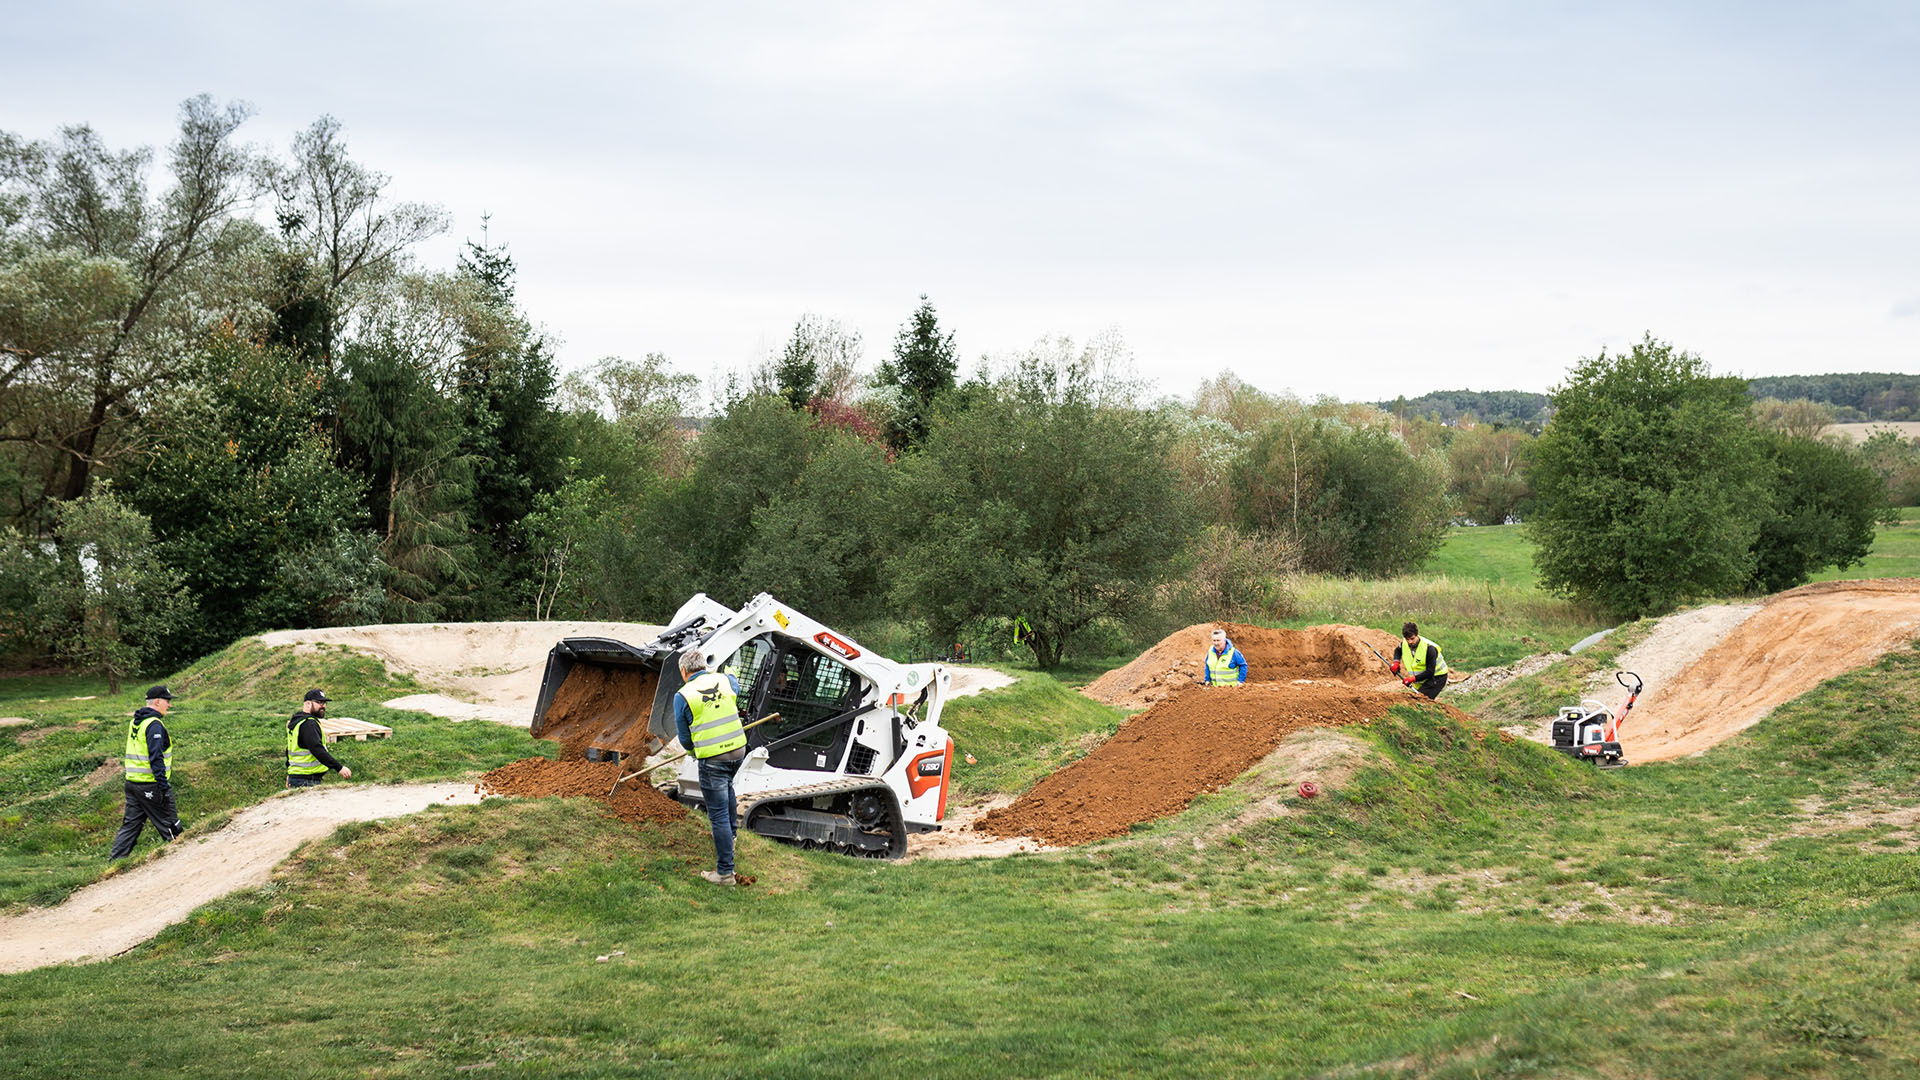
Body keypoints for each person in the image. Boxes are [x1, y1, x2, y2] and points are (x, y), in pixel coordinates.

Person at [674, 650, 749, 886]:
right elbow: (735, 686)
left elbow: (684, 737)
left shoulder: (683, 695)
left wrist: (693, 752)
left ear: (684, 672)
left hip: (713, 760)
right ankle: (732, 836)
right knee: (727, 789)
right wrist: (728, 673)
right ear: (703, 667)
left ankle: (725, 872)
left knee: (716, 813)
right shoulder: (724, 680)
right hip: (737, 752)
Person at [110, 685, 183, 860]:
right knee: (170, 824)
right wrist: (163, 786)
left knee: (131, 826)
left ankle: (115, 863)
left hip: (132, 783)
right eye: (167, 701)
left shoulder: (137, 721)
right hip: (150, 784)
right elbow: (155, 757)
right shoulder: (154, 725)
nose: (169, 705)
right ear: (158, 701)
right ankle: (182, 860)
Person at [287, 689, 352, 788]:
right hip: (306, 780)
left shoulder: (298, 721)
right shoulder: (309, 724)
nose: (323, 706)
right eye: (319, 702)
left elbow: (289, 750)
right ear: (308, 704)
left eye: (324, 702)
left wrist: (290, 774)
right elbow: (317, 749)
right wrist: (339, 768)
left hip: (298, 778)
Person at [1390, 622, 1449, 699]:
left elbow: (1430, 672)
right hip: (1422, 680)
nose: (1410, 642)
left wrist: (1412, 679)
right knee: (1418, 699)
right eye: (1407, 639)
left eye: (1412, 639)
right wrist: (1396, 662)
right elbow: (1398, 650)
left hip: (1437, 677)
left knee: (1421, 700)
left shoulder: (1429, 648)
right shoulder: (1404, 643)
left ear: (1417, 635)